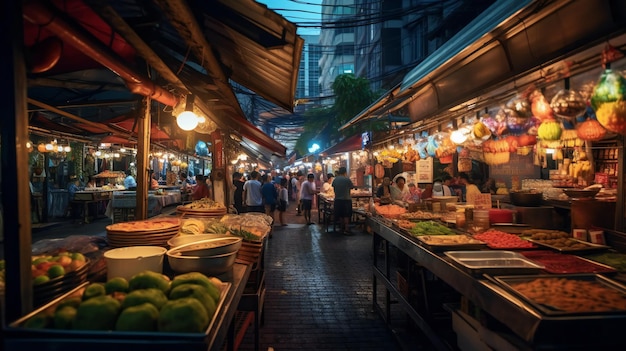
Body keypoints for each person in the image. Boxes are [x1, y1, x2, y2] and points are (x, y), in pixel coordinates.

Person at [332, 166, 355, 235]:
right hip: (346, 199)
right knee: (346, 215)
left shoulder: (335, 180)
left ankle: (341, 228)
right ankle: (347, 229)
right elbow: (352, 187)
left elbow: (334, 188)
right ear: (345, 172)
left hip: (337, 199)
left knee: (340, 215)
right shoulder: (347, 179)